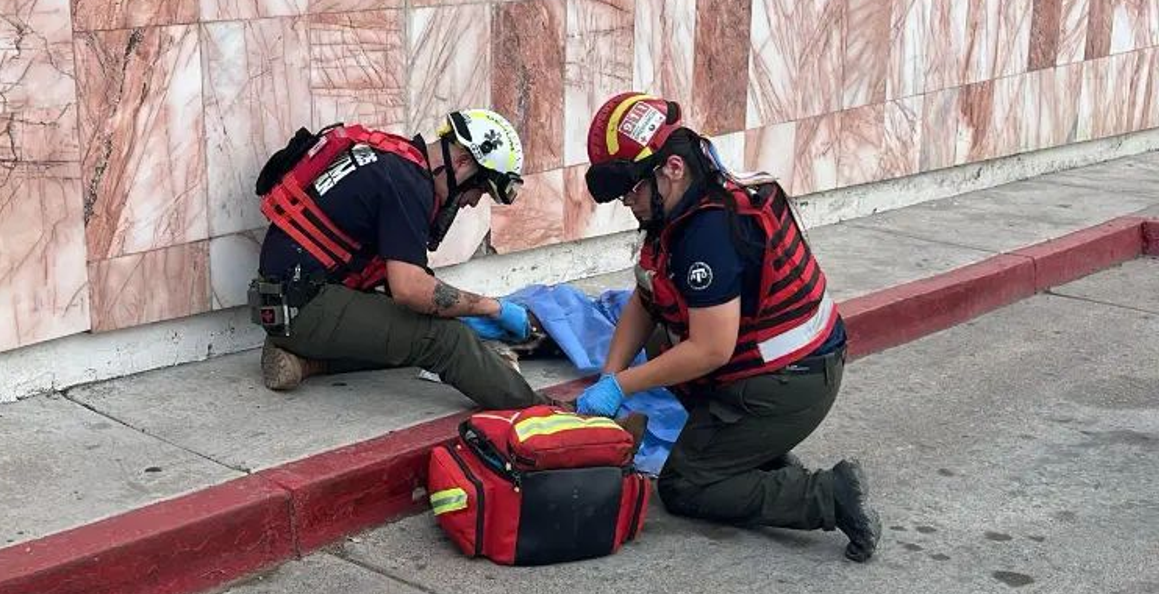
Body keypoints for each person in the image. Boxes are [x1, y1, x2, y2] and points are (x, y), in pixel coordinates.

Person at [574, 93, 881, 562]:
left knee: (684, 486)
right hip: (780, 367)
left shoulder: (707, 233)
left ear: (671, 167)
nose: (627, 202)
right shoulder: (686, 198)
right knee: (661, 344)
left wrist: (621, 387)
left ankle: (829, 496)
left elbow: (711, 350)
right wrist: (608, 376)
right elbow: (648, 296)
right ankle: (755, 455)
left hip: (793, 379)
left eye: (631, 189)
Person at [249, 109, 548, 410]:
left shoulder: (394, 160)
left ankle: (305, 361)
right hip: (304, 308)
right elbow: (410, 290)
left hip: (288, 300)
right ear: (462, 162)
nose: (472, 202)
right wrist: (491, 308)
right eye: (480, 189)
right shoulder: (408, 184)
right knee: (443, 339)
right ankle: (535, 407)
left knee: (416, 328)